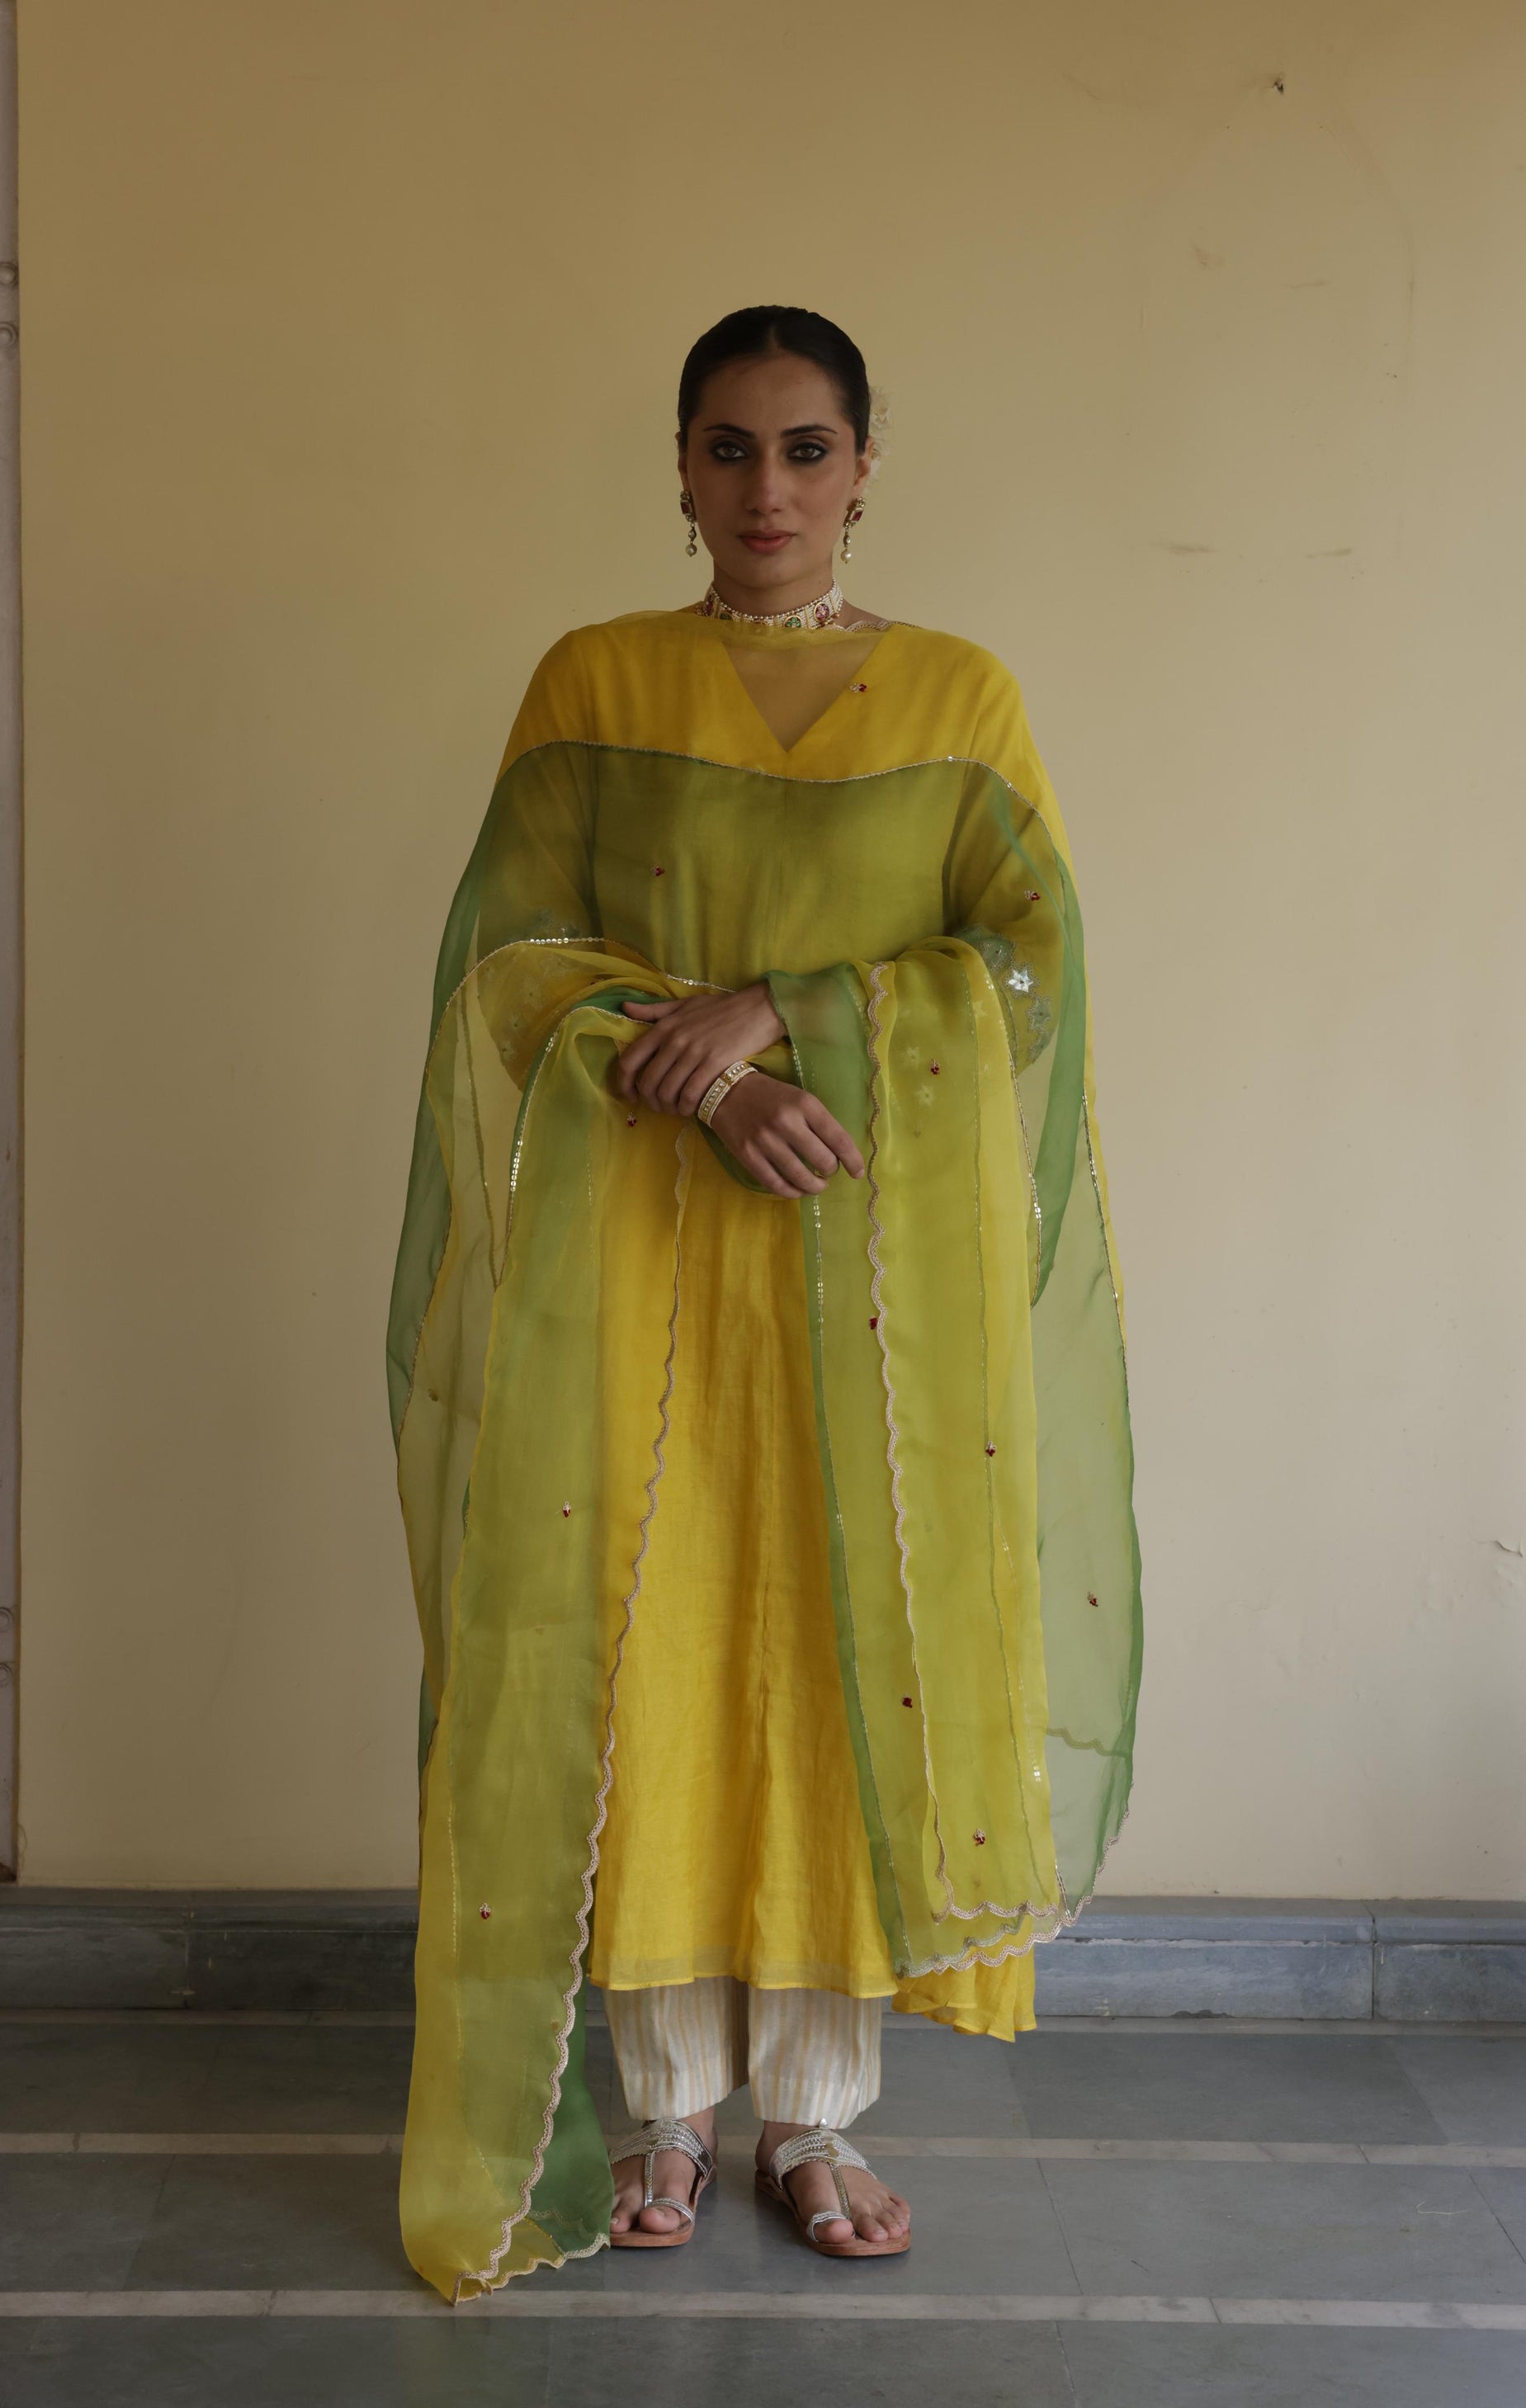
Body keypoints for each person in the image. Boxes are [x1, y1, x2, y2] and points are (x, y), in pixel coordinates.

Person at [387, 305, 1141, 2304]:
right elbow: (510, 960)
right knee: (645, 1639)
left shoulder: (958, 698)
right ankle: (658, 2103)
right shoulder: (595, 682)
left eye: (806, 449)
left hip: (872, 1278)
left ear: (864, 466)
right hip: (637, 1252)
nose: (767, 489)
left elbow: (1032, 971)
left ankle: (812, 2113)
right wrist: (705, 1073)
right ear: (680, 466)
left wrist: (793, 1013)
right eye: (727, 448)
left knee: (833, 1648)